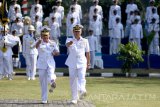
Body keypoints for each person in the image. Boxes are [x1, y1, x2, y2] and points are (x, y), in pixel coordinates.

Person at [65, 24, 90, 104]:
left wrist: (88, 63)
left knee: (82, 77)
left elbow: (88, 52)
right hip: (72, 62)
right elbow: (66, 45)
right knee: (73, 79)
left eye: (78, 31)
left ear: (81, 32)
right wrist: (70, 43)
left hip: (82, 61)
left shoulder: (85, 41)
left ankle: (82, 89)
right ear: (73, 32)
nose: (76, 33)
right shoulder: (69, 39)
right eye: (75, 31)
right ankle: (74, 98)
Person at [35, 26, 59, 104]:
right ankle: (44, 99)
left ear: (49, 35)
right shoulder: (39, 42)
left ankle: (52, 82)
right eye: (44, 35)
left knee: (51, 74)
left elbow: (57, 52)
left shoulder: (53, 43)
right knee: (43, 82)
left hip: (50, 63)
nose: (45, 37)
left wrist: (54, 53)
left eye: (46, 35)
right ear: (41, 36)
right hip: (41, 63)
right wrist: (39, 41)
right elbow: (35, 47)